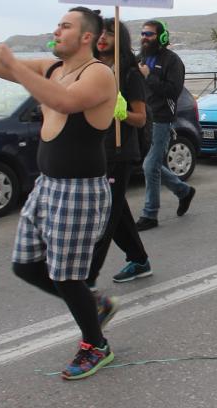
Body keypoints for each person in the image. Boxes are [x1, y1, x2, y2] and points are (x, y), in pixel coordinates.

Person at [0, 0, 118, 380]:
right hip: (47, 186)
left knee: (66, 276)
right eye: (58, 25)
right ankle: (95, 305)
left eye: (65, 26)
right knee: (25, 265)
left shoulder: (99, 74)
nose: (56, 30)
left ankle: (96, 344)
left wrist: (16, 65)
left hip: (79, 190)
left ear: (86, 37)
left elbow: (64, 102)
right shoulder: (52, 68)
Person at [87, 19, 154, 285]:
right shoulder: (92, 70)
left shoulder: (128, 74)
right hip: (96, 151)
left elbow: (140, 118)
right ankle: (139, 260)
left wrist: (121, 112)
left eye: (110, 33)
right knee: (118, 212)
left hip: (119, 152)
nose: (103, 37)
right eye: (100, 32)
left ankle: (87, 277)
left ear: (120, 40)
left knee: (105, 214)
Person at [135, 20, 196, 231]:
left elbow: (173, 91)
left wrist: (149, 76)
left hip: (161, 118)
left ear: (161, 37)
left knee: (149, 165)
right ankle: (183, 191)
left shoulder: (172, 61)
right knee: (151, 164)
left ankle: (150, 214)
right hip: (143, 118)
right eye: (143, 33)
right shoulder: (141, 58)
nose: (145, 37)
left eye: (149, 34)